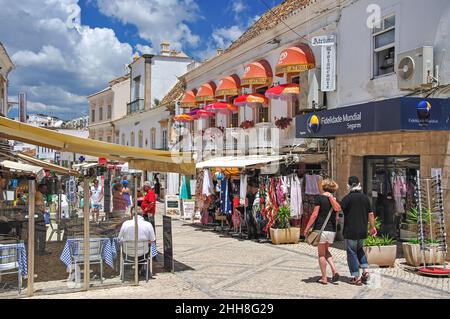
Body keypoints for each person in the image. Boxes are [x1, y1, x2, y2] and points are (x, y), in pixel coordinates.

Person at [303, 179, 342, 285]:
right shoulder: (334, 199)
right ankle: (334, 270)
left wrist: (307, 228)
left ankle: (324, 278)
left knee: (321, 254)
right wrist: (331, 198)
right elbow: (338, 211)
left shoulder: (319, 198)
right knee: (326, 251)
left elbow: (315, 214)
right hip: (332, 231)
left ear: (323, 187)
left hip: (321, 229)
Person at [340, 176, 377, 286]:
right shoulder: (365, 198)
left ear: (348, 185)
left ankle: (356, 277)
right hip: (362, 229)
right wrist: (372, 227)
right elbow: (371, 214)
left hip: (350, 230)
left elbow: (339, 210)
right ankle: (365, 272)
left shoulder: (347, 198)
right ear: (359, 184)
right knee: (360, 249)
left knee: (351, 252)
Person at [118, 208, 156, 276]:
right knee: (146, 249)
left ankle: (127, 270)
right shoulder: (148, 224)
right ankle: (139, 269)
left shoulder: (126, 223)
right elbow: (153, 239)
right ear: (142, 214)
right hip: (143, 252)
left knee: (123, 248)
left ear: (131, 214)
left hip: (128, 252)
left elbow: (119, 238)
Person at [35, 184, 50, 255]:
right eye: (44, 188)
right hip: (39, 216)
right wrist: (43, 210)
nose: (45, 190)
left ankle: (37, 250)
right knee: (42, 233)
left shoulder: (38, 194)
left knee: (38, 233)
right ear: (40, 188)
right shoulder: (38, 194)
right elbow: (38, 205)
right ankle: (41, 250)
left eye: (46, 188)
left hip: (38, 215)